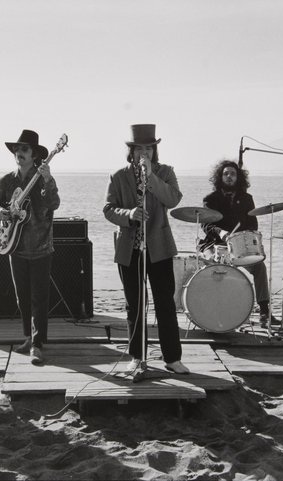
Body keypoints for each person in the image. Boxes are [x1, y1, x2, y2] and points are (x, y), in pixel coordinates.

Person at [103, 124, 189, 375]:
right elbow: (108, 209)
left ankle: (172, 358)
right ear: (131, 151)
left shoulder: (166, 172)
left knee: (165, 303)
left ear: (154, 150)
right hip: (129, 249)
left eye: (148, 148)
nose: (144, 153)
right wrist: (128, 214)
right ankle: (137, 357)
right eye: (139, 148)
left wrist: (151, 177)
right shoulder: (118, 176)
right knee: (135, 305)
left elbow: (173, 199)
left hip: (159, 248)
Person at [0, 129, 59, 365]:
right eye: (17, 149)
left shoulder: (43, 178)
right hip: (14, 245)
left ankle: (38, 345)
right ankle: (28, 338)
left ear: (34, 155)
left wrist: (48, 181)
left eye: (24, 149)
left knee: (39, 297)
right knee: (22, 297)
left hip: (40, 246)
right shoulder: (6, 181)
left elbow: (54, 204)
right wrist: (0, 212)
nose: (19, 153)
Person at [199, 159, 280, 328]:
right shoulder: (211, 199)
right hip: (215, 244)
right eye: (226, 173)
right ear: (220, 177)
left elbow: (252, 224)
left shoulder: (246, 198)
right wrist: (221, 232)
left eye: (233, 174)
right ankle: (213, 310)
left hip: (238, 245)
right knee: (214, 267)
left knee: (259, 267)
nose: (229, 176)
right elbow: (206, 224)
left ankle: (264, 311)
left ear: (238, 177)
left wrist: (248, 236)